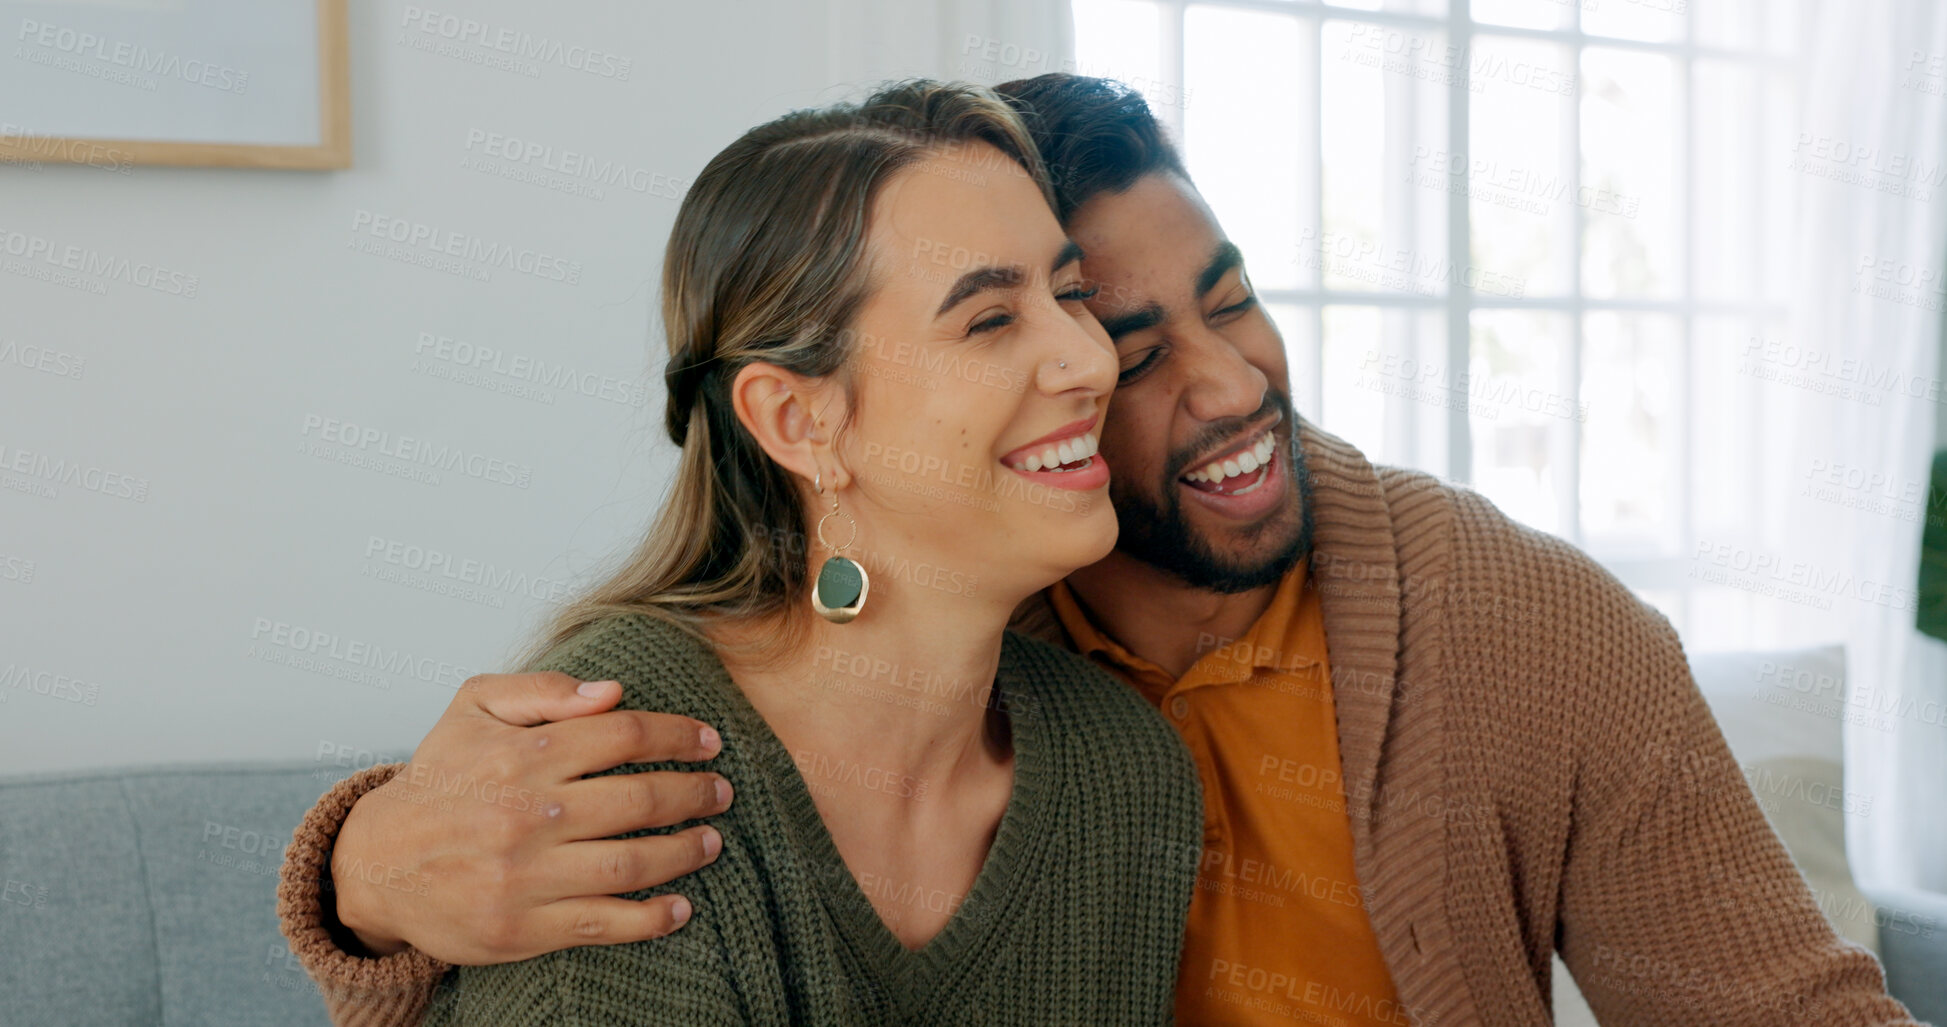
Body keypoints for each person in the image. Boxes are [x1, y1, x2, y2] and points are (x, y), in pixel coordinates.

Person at [280, 75, 1920, 1026]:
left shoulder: (1498, 634)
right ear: (811, 419)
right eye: (1108, 332)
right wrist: (364, 866)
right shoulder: (917, 661)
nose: (1215, 381)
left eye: (1226, 297)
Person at [282, 79, 1206, 1026]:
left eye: (1070, 293)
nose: (1094, 361)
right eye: (989, 319)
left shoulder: (1122, 775)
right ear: (799, 420)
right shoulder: (613, 785)